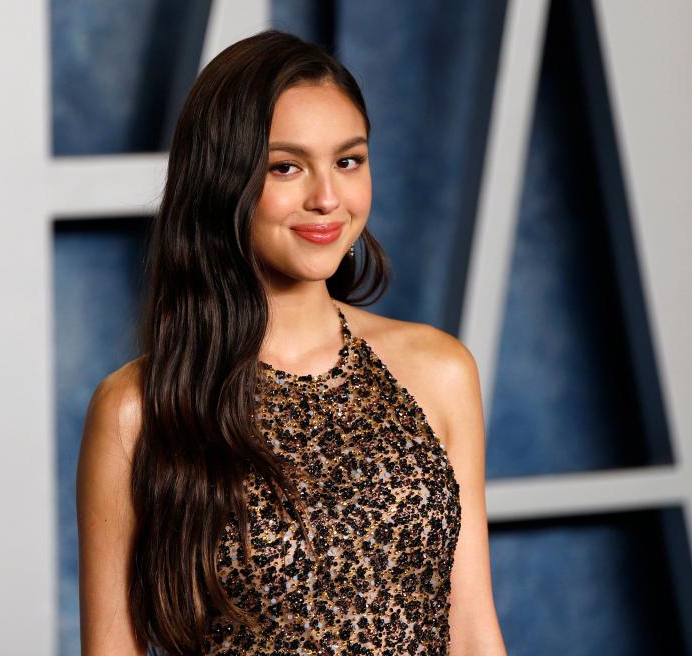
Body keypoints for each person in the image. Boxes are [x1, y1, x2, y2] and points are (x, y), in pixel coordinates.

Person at [76, 29, 506, 655]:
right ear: (222, 182)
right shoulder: (135, 412)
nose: (327, 197)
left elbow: (471, 628)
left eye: (348, 160)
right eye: (286, 166)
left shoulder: (438, 370)